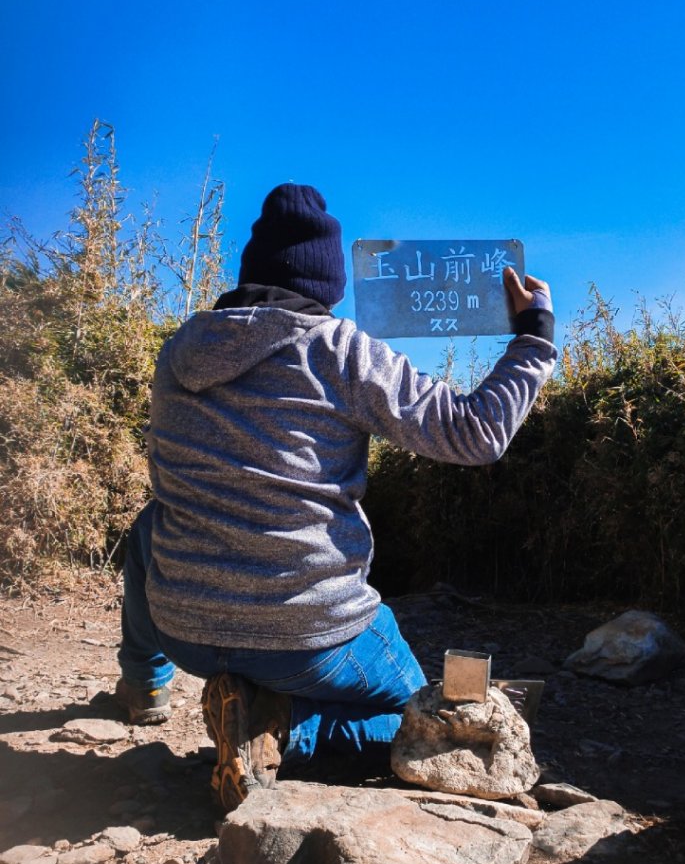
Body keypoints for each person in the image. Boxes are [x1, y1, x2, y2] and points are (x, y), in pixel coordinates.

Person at [114, 183, 557, 811]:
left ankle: (145, 686)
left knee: (150, 524)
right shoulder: (340, 350)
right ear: (328, 285)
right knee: (420, 720)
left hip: (184, 628)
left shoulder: (180, 350)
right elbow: (476, 433)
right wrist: (533, 337)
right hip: (308, 638)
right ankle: (282, 730)